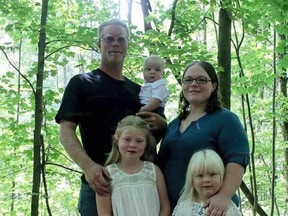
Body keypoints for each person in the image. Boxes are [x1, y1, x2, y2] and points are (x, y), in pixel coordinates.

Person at [55, 18, 167, 215]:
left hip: (140, 186)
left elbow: (157, 132)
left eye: (121, 40)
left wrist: (162, 124)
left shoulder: (140, 92)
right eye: (109, 39)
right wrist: (89, 168)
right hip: (99, 185)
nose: (115, 43)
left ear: (127, 46)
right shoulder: (82, 83)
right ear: (99, 44)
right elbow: (66, 131)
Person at [155, 61, 250, 216]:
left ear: (213, 85)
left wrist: (223, 196)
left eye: (201, 80)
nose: (194, 84)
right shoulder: (173, 124)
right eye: (188, 80)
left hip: (211, 209)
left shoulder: (226, 120)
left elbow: (238, 159)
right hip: (177, 209)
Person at [96, 115, 171, 216]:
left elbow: (165, 207)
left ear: (146, 144)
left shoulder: (153, 171)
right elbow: (104, 213)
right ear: (117, 140)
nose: (132, 145)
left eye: (139, 141)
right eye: (127, 139)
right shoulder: (107, 174)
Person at [172, 149, 242, 216]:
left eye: (212, 174)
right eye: (200, 175)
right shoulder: (183, 208)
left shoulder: (228, 208)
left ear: (222, 176)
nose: (206, 180)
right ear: (192, 179)